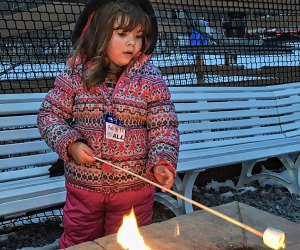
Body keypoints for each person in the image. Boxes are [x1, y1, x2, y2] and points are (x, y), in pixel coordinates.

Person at [37, 0, 179, 248]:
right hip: (85, 188)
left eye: (139, 35)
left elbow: (163, 127)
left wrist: (162, 161)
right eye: (123, 34)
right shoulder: (76, 75)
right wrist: (71, 144)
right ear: (99, 33)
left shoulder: (150, 79)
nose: (132, 43)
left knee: (126, 243)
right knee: (79, 242)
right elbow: (49, 116)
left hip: (134, 189)